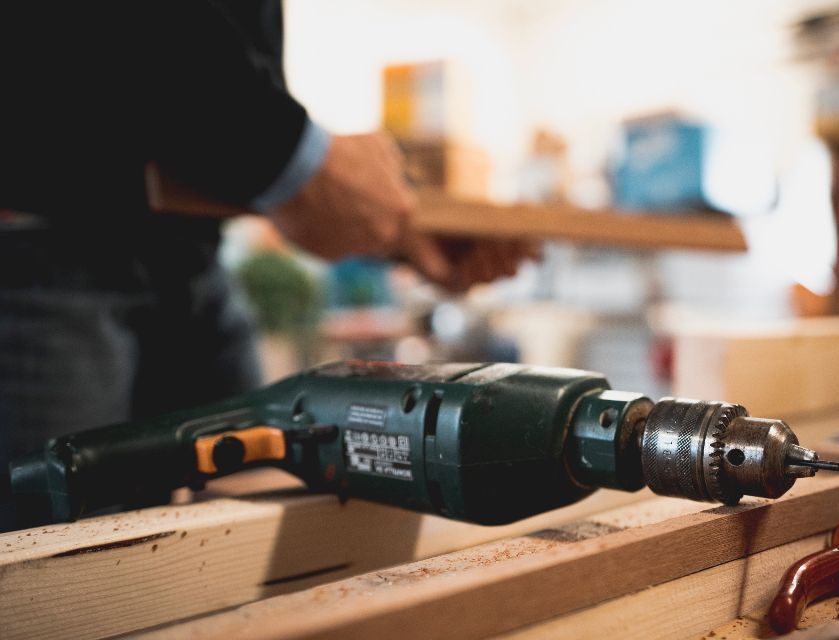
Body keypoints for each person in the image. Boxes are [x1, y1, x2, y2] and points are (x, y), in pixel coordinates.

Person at [0, 0, 529, 522]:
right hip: (38, 247)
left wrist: (396, 233)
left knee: (232, 556)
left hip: (190, 253)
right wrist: (286, 155)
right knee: (54, 578)